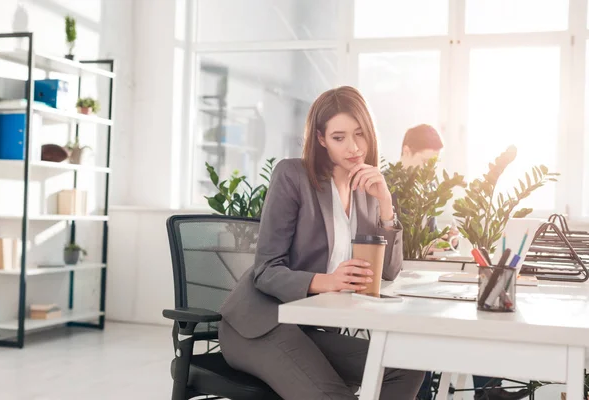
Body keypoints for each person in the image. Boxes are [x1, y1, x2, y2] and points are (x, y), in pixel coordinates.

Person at [218, 86, 425, 400]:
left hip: (310, 328)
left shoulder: (365, 189)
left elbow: (389, 273)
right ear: (321, 139)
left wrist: (385, 204)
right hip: (259, 324)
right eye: (339, 137)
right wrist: (326, 281)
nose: (353, 147)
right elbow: (265, 271)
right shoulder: (293, 176)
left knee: (405, 369)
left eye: (360, 134)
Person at [400, 125, 529, 400]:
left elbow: (425, 240)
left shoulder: (428, 189)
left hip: (423, 278)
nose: (429, 172)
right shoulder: (391, 190)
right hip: (401, 287)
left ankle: (488, 389)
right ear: (406, 152)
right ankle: (482, 390)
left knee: (474, 307)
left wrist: (446, 240)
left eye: (434, 166)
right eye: (425, 163)